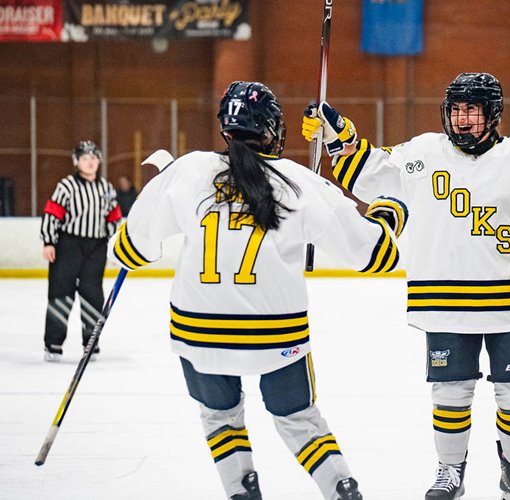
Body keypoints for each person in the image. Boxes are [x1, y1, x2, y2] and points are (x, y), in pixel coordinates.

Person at [108, 81, 406, 500]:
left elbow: (130, 250)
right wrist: (390, 212)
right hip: (274, 334)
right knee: (297, 418)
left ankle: (241, 492)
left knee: (219, 416)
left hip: (199, 332)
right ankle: (341, 489)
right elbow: (377, 256)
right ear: (272, 131)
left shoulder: (189, 169)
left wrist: (163, 197)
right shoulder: (298, 182)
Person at [302, 72, 510, 500]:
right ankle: (449, 471)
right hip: (443, 298)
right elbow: (371, 170)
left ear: (493, 114)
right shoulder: (422, 151)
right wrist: (337, 135)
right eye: (456, 109)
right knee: (451, 391)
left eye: (472, 109)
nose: (462, 119)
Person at [40, 140, 122, 362]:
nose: (90, 162)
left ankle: (91, 343)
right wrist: (49, 242)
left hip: (96, 247)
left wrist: (116, 249)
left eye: (94, 158)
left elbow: (113, 220)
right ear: (77, 162)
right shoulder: (66, 186)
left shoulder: (106, 188)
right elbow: (52, 214)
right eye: (85, 158)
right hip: (68, 245)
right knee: (61, 293)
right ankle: (53, 344)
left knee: (92, 295)